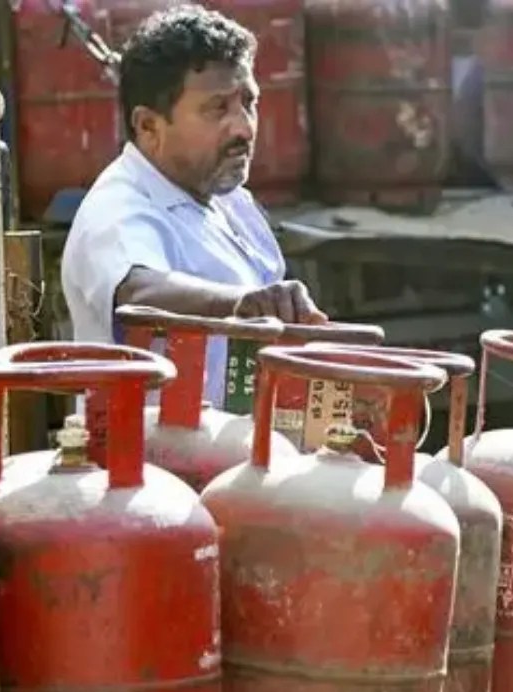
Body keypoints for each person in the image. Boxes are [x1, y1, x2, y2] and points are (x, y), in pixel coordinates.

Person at [61, 4, 326, 406]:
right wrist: (240, 304)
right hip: (149, 444)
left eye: (248, 102)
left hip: (242, 434)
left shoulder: (231, 201)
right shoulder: (117, 208)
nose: (244, 127)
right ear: (149, 126)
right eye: (217, 108)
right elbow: (138, 290)